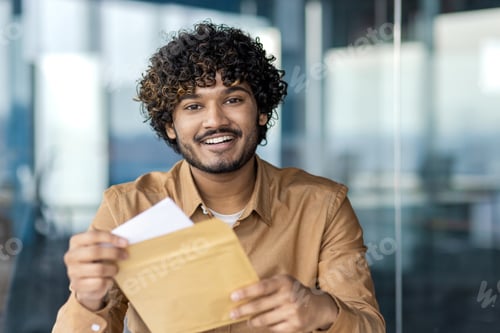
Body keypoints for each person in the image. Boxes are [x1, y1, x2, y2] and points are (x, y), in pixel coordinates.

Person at [52, 22, 385, 333]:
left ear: (262, 112)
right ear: (170, 125)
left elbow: (368, 322)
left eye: (233, 99)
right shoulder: (127, 208)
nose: (215, 120)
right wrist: (87, 300)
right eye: (193, 106)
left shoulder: (322, 206)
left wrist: (321, 310)